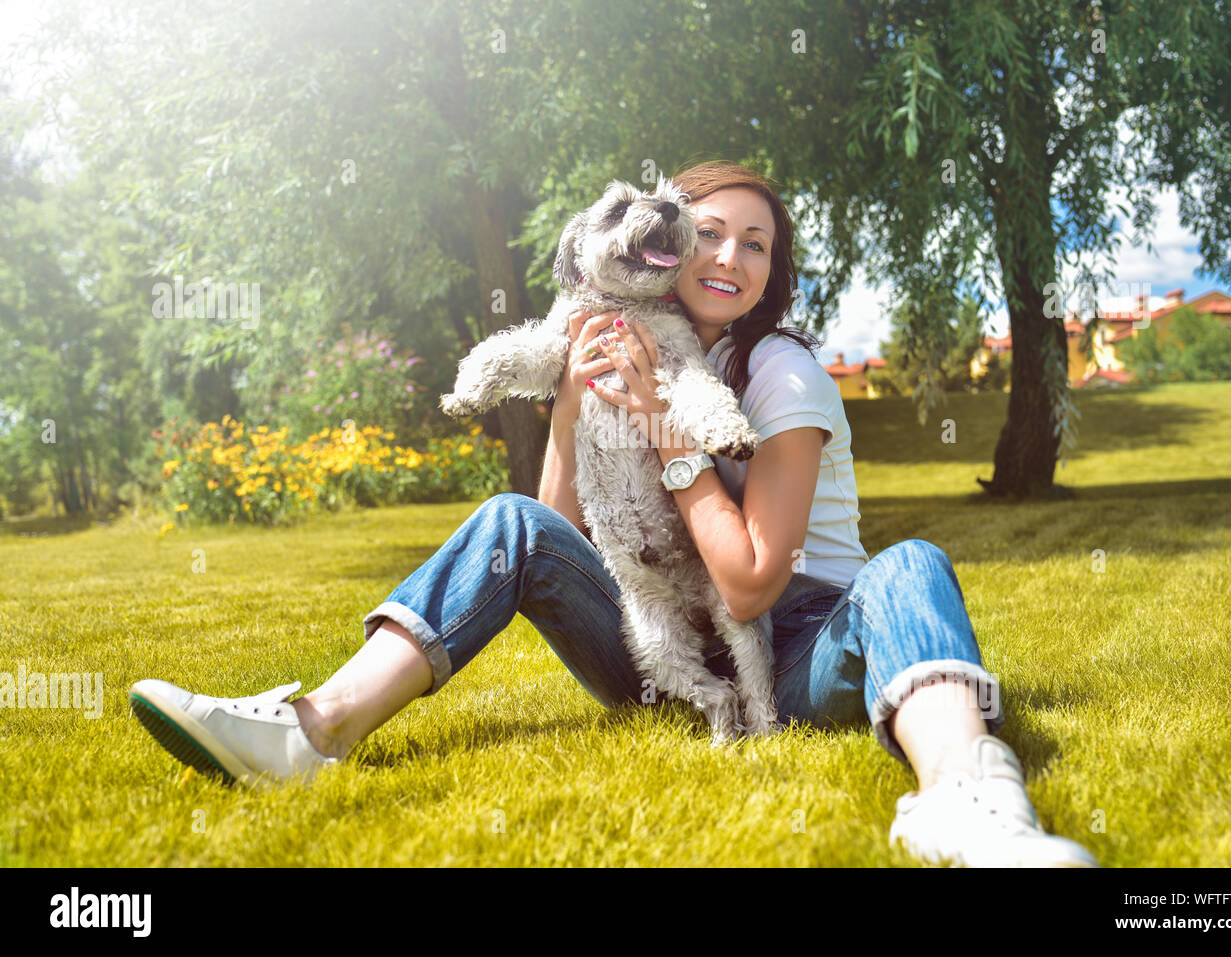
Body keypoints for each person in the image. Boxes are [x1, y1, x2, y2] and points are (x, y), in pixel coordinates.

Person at [129, 161, 1098, 868]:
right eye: (707, 232)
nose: (727, 256)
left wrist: (666, 436)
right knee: (507, 518)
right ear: (656, 244)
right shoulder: (624, 341)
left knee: (909, 564)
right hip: (656, 647)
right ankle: (315, 729)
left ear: (774, 274)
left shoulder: (779, 374)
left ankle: (968, 804)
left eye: (755, 244)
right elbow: (554, 533)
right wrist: (576, 396)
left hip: (798, 646)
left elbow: (754, 580)